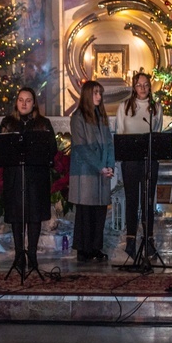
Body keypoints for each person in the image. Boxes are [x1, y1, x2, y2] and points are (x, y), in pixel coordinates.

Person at [0, 87, 57, 271]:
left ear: (34, 103)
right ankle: (18, 255)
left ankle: (32, 254)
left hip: (36, 177)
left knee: (34, 216)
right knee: (17, 215)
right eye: (21, 100)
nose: (24, 104)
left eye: (28, 100)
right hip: (15, 176)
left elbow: (51, 150)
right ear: (16, 102)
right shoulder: (8, 122)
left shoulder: (43, 123)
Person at [115, 72, 163, 259]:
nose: (142, 88)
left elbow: (156, 131)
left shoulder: (156, 107)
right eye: (138, 85)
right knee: (132, 200)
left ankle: (149, 241)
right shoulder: (124, 107)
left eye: (145, 85)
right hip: (130, 161)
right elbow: (120, 132)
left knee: (147, 201)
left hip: (149, 159)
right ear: (133, 87)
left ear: (150, 87)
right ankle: (131, 241)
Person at [69, 80, 114, 262]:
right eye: (96, 93)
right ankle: (83, 249)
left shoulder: (102, 116)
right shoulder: (78, 117)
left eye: (100, 93)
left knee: (99, 211)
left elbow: (109, 143)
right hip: (86, 170)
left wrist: (109, 164)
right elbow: (82, 147)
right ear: (88, 94)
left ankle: (96, 247)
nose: (99, 96)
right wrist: (100, 166)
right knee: (86, 211)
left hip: (102, 169)